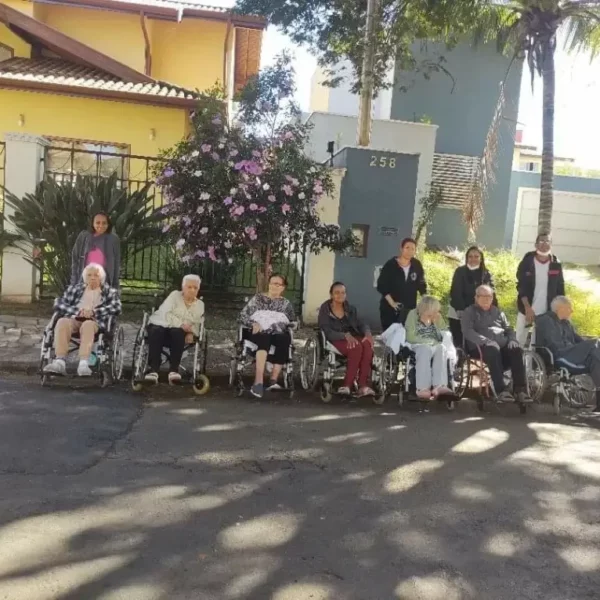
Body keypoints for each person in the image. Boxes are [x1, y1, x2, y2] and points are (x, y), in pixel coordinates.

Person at [43, 263, 121, 377]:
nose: (93, 277)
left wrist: (94, 312)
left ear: (102, 277)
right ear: (85, 278)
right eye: (89, 275)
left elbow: (116, 307)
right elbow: (59, 303)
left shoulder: (109, 292)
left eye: (96, 275)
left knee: (88, 324)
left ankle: (84, 364)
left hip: (95, 322)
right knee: (62, 322)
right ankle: (59, 362)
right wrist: (77, 311)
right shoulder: (76, 289)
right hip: (75, 318)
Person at [461, 285, 532, 404]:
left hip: (502, 345)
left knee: (516, 350)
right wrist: (486, 341)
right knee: (492, 351)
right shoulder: (469, 312)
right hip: (481, 347)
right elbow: (467, 331)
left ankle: (520, 390)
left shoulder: (498, 312)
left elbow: (509, 329)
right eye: (482, 296)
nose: (486, 299)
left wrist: (512, 340)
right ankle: (501, 390)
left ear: (492, 297)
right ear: (476, 298)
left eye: (488, 296)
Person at [535, 296, 600, 412]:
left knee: (596, 359)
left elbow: (579, 340)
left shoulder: (567, 324)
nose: (572, 311)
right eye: (569, 308)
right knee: (596, 342)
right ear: (560, 308)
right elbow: (553, 343)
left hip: (572, 353)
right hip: (560, 354)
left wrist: (587, 347)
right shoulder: (545, 320)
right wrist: (586, 346)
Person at [239, 273, 296, 398]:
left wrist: (284, 325)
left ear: (283, 287)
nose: (274, 286)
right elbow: (242, 316)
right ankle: (258, 382)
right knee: (264, 337)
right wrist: (253, 323)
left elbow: (294, 321)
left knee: (285, 338)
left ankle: (273, 380)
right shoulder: (258, 299)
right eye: (272, 283)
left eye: (277, 284)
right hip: (256, 331)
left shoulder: (286, 304)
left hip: (276, 332)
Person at [318, 282, 375, 397]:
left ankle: (363, 385)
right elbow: (326, 330)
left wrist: (367, 333)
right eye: (337, 292)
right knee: (356, 347)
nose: (340, 295)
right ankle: (347, 385)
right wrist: (344, 335)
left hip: (353, 337)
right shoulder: (325, 310)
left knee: (367, 345)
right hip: (335, 339)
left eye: (343, 292)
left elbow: (361, 323)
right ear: (331, 295)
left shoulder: (350, 309)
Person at [144, 274, 204, 385]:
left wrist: (190, 332)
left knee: (178, 333)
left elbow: (195, 322)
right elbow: (166, 313)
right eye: (189, 287)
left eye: (195, 288)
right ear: (183, 287)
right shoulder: (174, 296)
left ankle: (173, 370)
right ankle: (153, 370)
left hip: (176, 334)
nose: (192, 290)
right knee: (157, 331)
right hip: (160, 324)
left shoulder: (200, 305)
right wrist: (181, 323)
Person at [516, 233, 564, 345]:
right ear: (536, 244)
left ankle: (531, 363)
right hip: (526, 309)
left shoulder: (556, 263)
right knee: (519, 340)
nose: (544, 243)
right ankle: (517, 362)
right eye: (541, 241)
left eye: (547, 241)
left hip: (546, 312)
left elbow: (560, 288)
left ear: (551, 244)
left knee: (537, 343)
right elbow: (521, 286)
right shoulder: (527, 262)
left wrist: (559, 310)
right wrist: (527, 308)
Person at [405, 296, 454, 400]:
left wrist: (436, 325)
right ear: (426, 308)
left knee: (441, 348)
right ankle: (422, 388)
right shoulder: (413, 315)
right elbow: (410, 336)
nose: (437, 312)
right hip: (418, 344)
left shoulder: (437, 317)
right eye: (434, 310)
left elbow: (443, 334)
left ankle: (439, 386)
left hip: (435, 344)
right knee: (425, 349)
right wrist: (427, 342)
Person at [448, 246, 496, 348]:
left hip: (478, 312)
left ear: (481, 258)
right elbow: (456, 292)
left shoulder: (486, 273)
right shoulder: (460, 271)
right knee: (459, 342)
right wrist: (460, 309)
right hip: (459, 310)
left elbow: (492, 293)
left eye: (476, 256)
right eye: (470, 256)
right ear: (466, 258)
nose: (473, 259)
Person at [376, 237, 427, 330]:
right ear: (401, 249)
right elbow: (381, 285)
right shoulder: (391, 265)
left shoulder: (416, 265)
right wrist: (392, 303)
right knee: (391, 338)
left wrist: (426, 302)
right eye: (407, 248)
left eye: (413, 249)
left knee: (405, 338)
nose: (410, 251)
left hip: (409, 309)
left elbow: (421, 284)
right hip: (390, 309)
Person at [71, 212, 121, 288]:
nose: (101, 226)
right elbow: (75, 258)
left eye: (104, 223)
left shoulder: (113, 239)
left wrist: (115, 286)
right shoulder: (83, 237)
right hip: (85, 280)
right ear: (92, 223)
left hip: (104, 281)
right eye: (98, 223)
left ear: (108, 224)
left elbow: (116, 262)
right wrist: (74, 280)